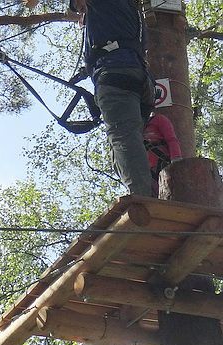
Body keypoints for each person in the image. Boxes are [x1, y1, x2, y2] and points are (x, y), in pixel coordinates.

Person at [70, 0, 155, 197]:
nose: (82, 13)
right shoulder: (130, 11)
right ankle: (150, 191)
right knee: (124, 141)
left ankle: (143, 199)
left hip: (115, 76)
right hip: (138, 79)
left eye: (82, 8)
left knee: (123, 137)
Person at [143, 110, 182, 195]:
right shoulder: (134, 129)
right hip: (147, 171)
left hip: (162, 165)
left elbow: (171, 139)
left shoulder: (158, 120)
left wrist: (176, 161)